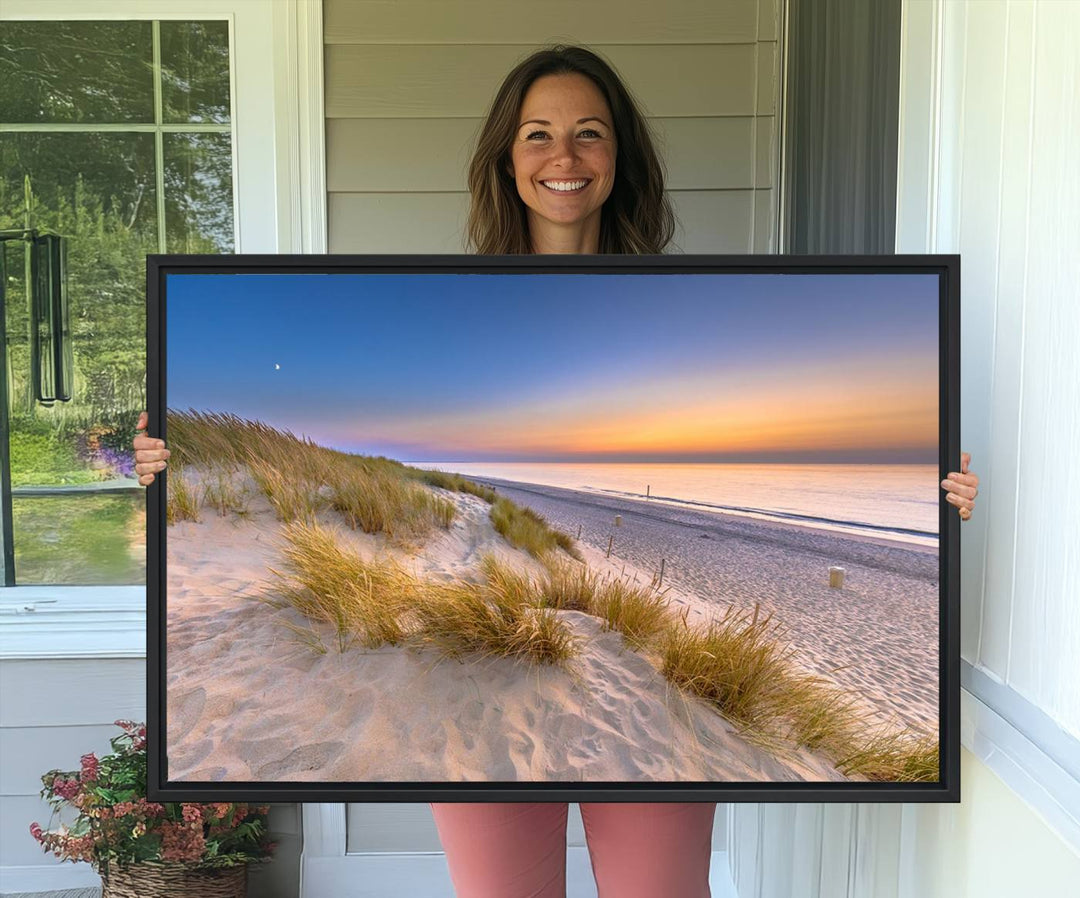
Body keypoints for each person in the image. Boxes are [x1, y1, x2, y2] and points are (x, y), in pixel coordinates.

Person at [133, 44, 980, 898]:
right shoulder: (452, 296)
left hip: (646, 689)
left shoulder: (674, 304)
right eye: (538, 134)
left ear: (620, 158)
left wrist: (935, 495)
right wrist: (166, 464)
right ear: (507, 158)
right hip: (476, 675)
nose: (563, 157)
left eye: (589, 134)